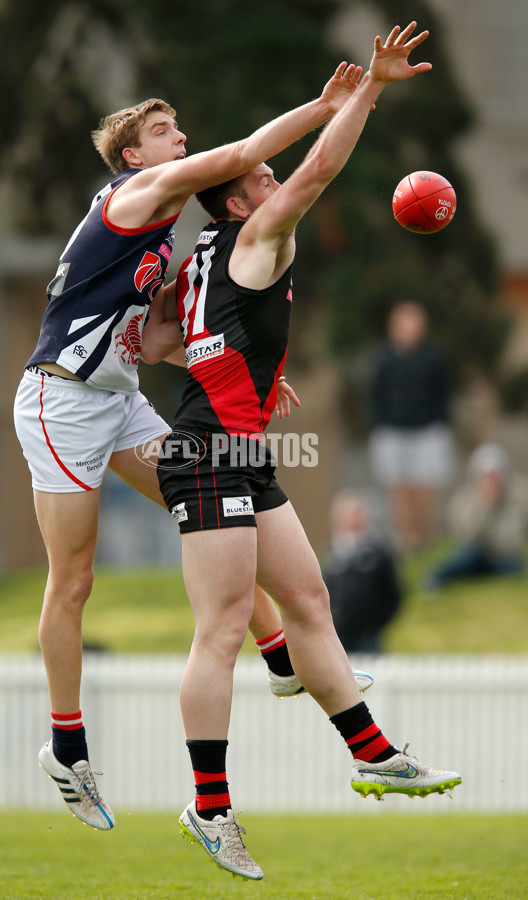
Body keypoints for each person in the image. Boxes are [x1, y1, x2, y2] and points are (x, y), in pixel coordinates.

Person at [13, 70, 374, 831]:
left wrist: (237, 371)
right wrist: (324, 106)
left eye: (177, 129)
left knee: (208, 497)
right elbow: (244, 151)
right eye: (164, 133)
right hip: (62, 405)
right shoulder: (135, 196)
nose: (179, 139)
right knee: (73, 578)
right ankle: (65, 745)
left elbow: (159, 341)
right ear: (135, 158)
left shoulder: (158, 225)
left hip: (117, 401)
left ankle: (283, 656)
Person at [148, 22, 461, 881]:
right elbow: (321, 168)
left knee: (312, 601)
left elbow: (157, 342)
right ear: (240, 204)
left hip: (235, 444)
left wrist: (236, 369)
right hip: (209, 451)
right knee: (218, 634)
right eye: (261, 176)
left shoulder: (208, 253)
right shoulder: (256, 238)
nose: (275, 176)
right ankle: (209, 808)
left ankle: (372, 754)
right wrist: (372, 89)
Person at [368, 301, 454, 553]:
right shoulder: (383, 361)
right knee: (399, 486)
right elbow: (375, 397)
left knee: (424, 486)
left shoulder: (432, 360)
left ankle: (426, 538)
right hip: (392, 431)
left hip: (427, 430)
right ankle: (405, 540)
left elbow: (441, 395)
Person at [426, 442, 528, 590]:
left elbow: (514, 537)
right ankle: (438, 577)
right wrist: (484, 506)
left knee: (512, 567)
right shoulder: (464, 499)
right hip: (477, 553)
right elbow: (465, 536)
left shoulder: (520, 493)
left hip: (505, 555)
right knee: (467, 558)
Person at [322, 490, 402, 653]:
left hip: (368, 636)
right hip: (339, 633)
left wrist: (376, 623)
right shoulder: (333, 553)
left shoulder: (377, 554)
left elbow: (393, 593)